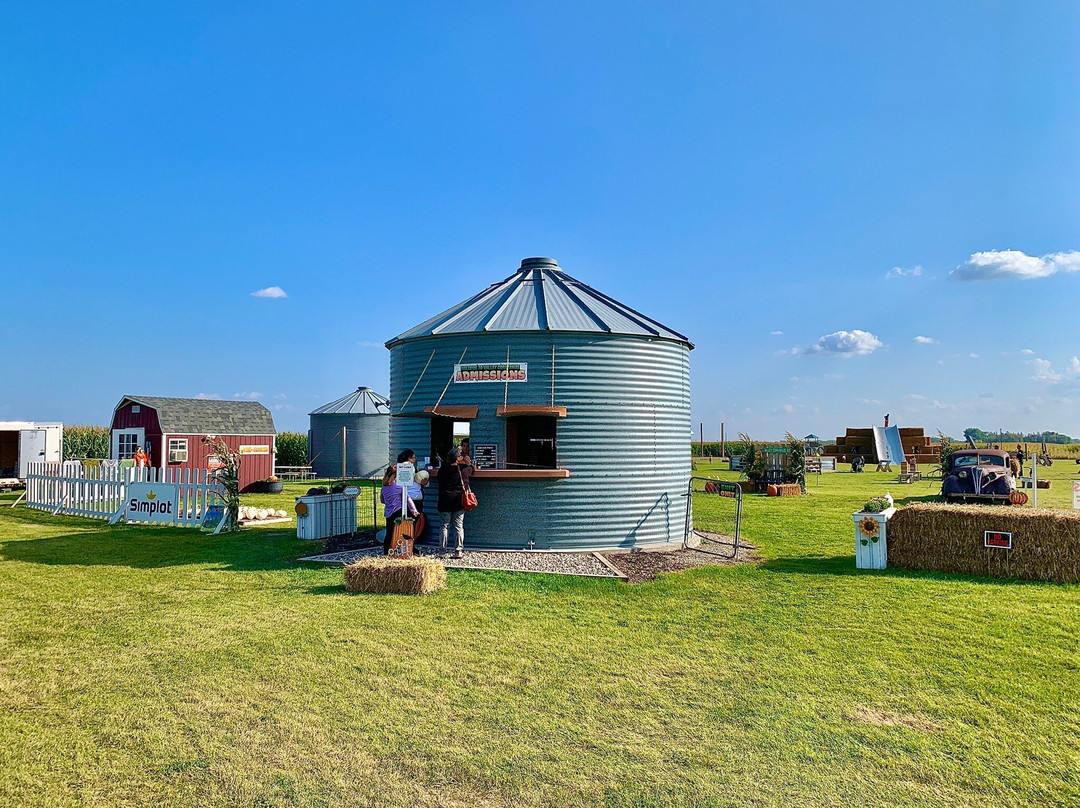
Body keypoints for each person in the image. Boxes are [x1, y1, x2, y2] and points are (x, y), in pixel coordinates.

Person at [437, 448, 473, 558]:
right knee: (458, 526)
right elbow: (472, 470)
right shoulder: (463, 469)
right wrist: (468, 462)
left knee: (444, 526)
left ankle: (442, 551)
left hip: (444, 500)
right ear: (458, 458)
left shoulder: (442, 470)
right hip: (458, 501)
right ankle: (458, 551)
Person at [380, 464, 418, 555]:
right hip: (398, 511)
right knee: (401, 531)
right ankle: (401, 550)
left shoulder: (384, 488)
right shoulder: (399, 488)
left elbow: (382, 500)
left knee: (389, 533)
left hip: (388, 512)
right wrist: (413, 510)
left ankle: (386, 552)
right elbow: (408, 499)